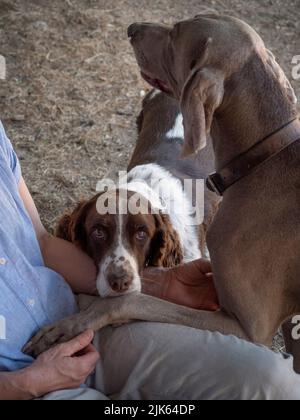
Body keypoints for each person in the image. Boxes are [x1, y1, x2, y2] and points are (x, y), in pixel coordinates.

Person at [0, 120, 300, 400]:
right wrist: (26, 383)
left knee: (277, 383)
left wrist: (158, 284)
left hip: (82, 317)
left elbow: (41, 241)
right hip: (20, 377)